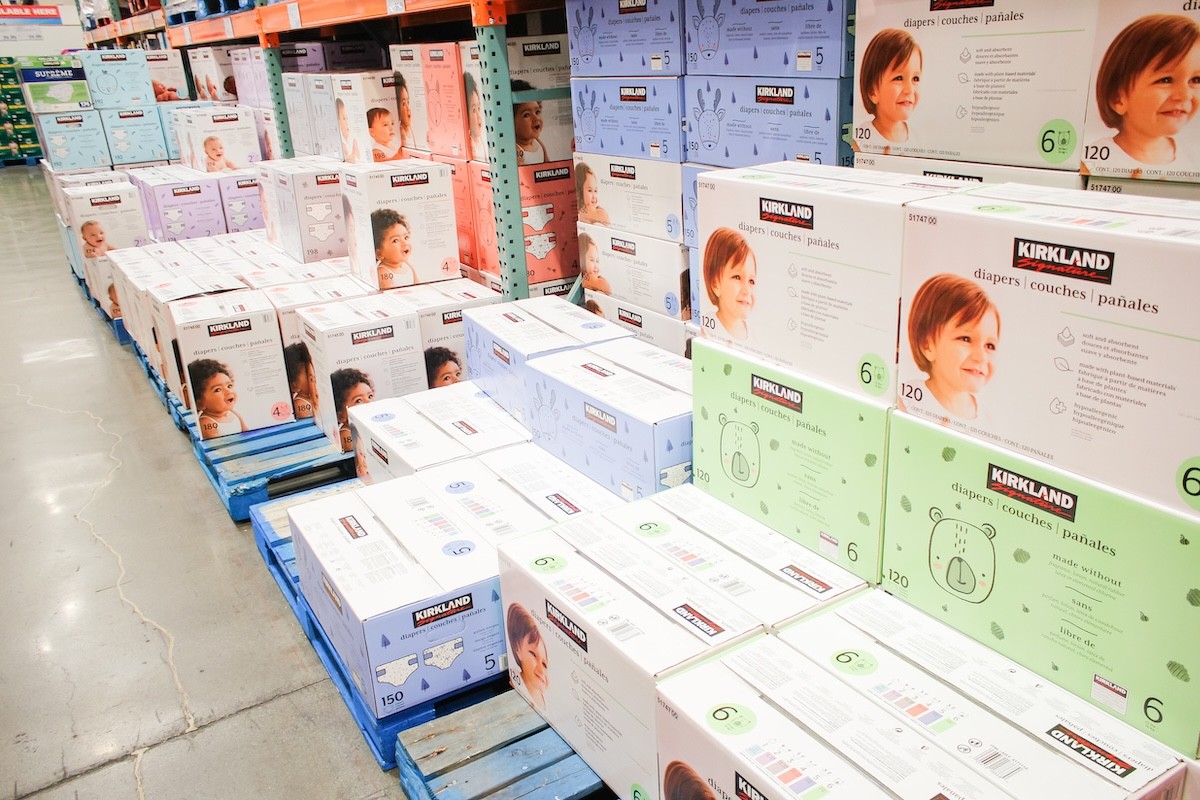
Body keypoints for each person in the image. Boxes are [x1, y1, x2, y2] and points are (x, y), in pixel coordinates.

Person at [1090, 14, 1200, 174]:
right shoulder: (1094, 161)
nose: (1184, 95)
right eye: (1165, 80)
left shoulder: (1193, 156)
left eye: (1196, 79)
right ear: (1118, 99)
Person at [906, 273, 1000, 422]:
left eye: (990, 345)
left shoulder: (990, 420)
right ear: (927, 345)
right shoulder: (908, 400)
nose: (981, 357)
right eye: (966, 339)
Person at [857, 28, 921, 148]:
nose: (910, 90)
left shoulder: (917, 137)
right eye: (898, 78)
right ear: (873, 92)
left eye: (915, 79)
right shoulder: (862, 140)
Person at [702, 227, 756, 341]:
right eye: (737, 277)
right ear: (715, 284)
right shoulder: (706, 328)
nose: (746, 291)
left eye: (751, 281)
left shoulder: (754, 336)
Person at [189, 358, 247, 440]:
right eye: (218, 390)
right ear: (200, 404)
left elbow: (247, 433)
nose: (228, 391)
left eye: (229, 386)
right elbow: (218, 448)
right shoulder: (207, 423)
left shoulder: (233, 413)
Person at [506, 603, 548, 707]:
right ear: (517, 649)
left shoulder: (548, 701)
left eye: (544, 664)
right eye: (533, 654)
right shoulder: (515, 680)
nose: (540, 669)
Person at [331, 367, 374, 452]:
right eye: (358, 401)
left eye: (370, 396)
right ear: (340, 416)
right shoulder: (346, 434)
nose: (369, 403)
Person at [371, 208, 416, 288]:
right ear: (379, 253)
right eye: (395, 240)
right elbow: (389, 296)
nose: (404, 243)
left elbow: (418, 285)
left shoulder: (408, 266)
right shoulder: (383, 272)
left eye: (406, 237)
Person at [511, 79, 547, 165]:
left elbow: (548, 164)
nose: (536, 118)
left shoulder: (538, 143)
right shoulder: (517, 150)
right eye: (527, 115)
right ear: (511, 121)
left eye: (537, 112)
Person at [283, 341, 319, 420]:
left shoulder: (314, 397)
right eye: (308, 375)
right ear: (294, 385)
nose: (313, 378)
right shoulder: (300, 403)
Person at [464, 72, 487, 162]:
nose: (478, 116)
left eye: (479, 108)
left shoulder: (483, 141)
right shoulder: (469, 146)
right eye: (473, 110)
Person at [335, 97, 362, 163]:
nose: (347, 123)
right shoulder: (342, 145)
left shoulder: (350, 141)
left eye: (347, 118)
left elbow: (359, 157)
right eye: (344, 118)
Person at [395, 72, 415, 149]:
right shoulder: (400, 133)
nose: (408, 109)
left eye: (408, 102)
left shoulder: (409, 130)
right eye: (403, 104)